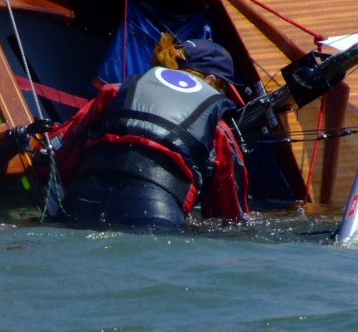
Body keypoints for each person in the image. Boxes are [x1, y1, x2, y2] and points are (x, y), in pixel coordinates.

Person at [45, 32, 250, 229]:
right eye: (224, 90)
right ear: (211, 81)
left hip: (79, 205)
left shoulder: (115, 93)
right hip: (155, 219)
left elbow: (55, 154)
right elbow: (230, 218)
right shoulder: (218, 129)